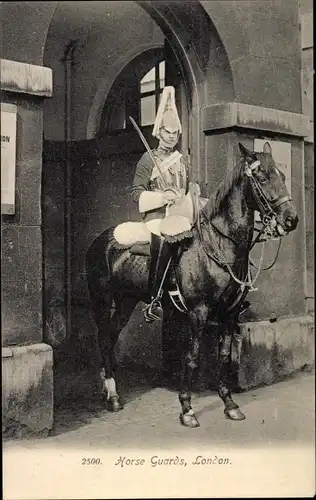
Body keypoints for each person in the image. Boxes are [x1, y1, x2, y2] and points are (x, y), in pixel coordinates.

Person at [131, 86, 191, 323]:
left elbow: (186, 188)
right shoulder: (148, 159)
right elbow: (136, 194)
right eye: (168, 132)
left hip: (180, 215)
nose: (172, 137)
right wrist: (160, 198)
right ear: (159, 132)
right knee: (165, 238)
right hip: (156, 218)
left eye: (176, 133)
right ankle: (154, 298)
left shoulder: (182, 161)